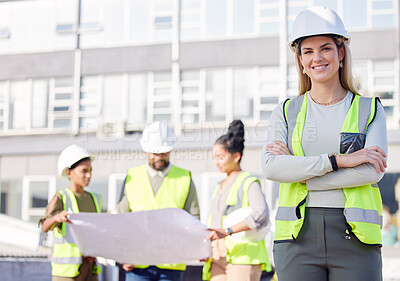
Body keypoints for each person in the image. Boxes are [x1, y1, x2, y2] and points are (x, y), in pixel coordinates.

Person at [261, 6, 387, 281]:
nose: (317, 58)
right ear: (300, 60)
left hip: (356, 240)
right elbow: (271, 167)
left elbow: (372, 171)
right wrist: (338, 161)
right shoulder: (285, 112)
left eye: (326, 48)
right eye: (308, 51)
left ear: (341, 53)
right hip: (296, 241)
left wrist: (301, 174)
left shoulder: (370, 109)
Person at [113, 121, 200, 281]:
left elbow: (194, 220)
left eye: (164, 153)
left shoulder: (184, 177)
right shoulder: (132, 176)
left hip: (171, 264)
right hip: (137, 264)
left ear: (170, 149)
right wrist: (122, 254)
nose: (159, 157)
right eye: (154, 153)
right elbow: (121, 220)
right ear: (145, 150)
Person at [203, 120, 271, 281]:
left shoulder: (249, 182)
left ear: (236, 156)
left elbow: (261, 214)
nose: (216, 162)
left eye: (220, 157)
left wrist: (228, 231)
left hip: (243, 258)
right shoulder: (218, 187)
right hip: (218, 257)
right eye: (214, 157)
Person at [39, 144, 103, 281]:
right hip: (66, 274)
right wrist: (57, 218)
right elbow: (44, 226)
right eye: (84, 171)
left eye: (90, 170)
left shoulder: (96, 199)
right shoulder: (61, 198)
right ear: (69, 172)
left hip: (90, 270)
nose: (89, 175)